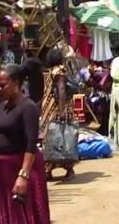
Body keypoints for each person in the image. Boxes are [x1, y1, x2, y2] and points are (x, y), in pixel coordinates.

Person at [0, 64, 50, 224]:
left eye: (2, 85)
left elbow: (31, 144)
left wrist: (23, 176)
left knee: (22, 216)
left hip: (20, 168)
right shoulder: (2, 105)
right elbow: (1, 138)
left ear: (16, 84)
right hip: (2, 169)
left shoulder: (28, 108)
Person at [41, 48, 77, 180]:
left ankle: (65, 169)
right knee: (57, 137)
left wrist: (61, 111)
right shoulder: (57, 70)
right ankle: (51, 169)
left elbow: (61, 89)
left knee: (58, 137)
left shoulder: (56, 71)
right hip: (53, 107)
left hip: (55, 108)